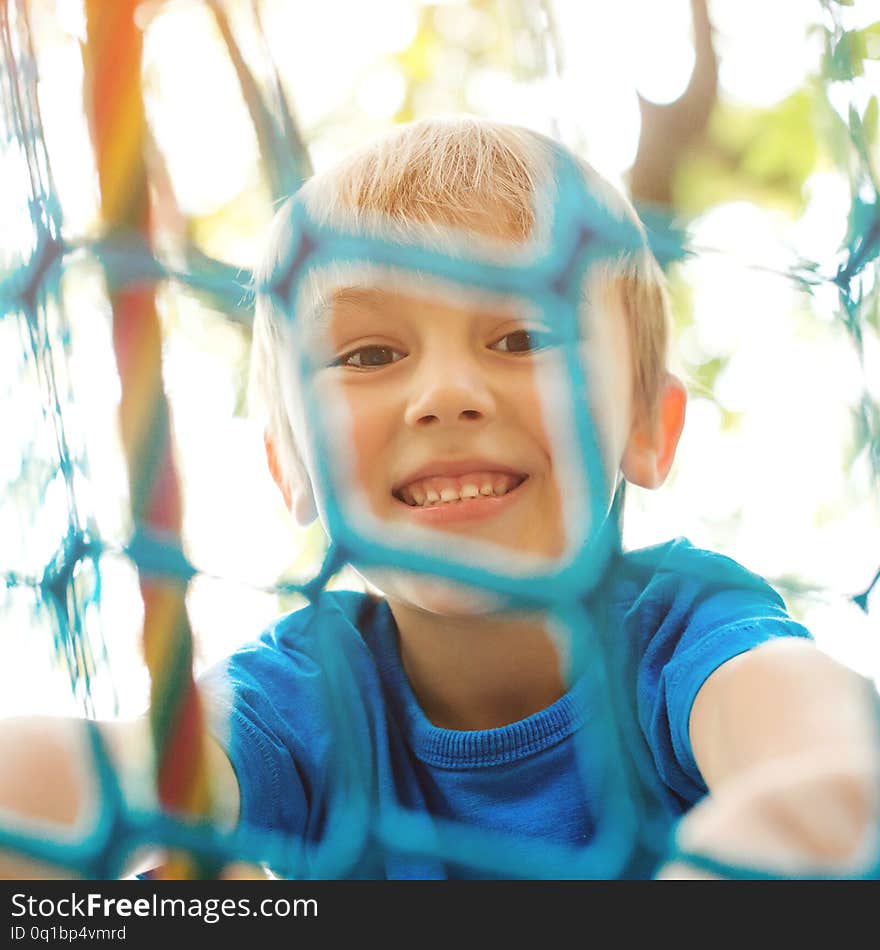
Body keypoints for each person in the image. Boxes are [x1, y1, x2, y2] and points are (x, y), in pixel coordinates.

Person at [0, 116, 876, 880]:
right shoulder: (310, 690)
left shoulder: (684, 634)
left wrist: (784, 828)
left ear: (649, 424)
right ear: (291, 465)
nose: (447, 394)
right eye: (371, 355)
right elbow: (119, 772)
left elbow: (826, 766)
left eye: (521, 333)